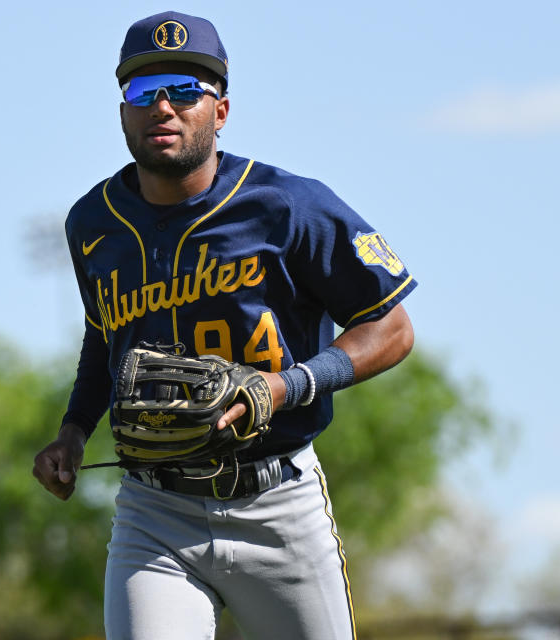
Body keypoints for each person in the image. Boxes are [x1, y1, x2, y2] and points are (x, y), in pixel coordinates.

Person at [33, 10, 416, 640]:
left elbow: (392, 328)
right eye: (141, 90)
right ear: (122, 111)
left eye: (186, 88)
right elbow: (105, 337)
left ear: (221, 111)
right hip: (155, 511)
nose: (163, 105)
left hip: (279, 503)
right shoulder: (92, 224)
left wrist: (284, 387)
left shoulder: (289, 206)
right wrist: (73, 431)